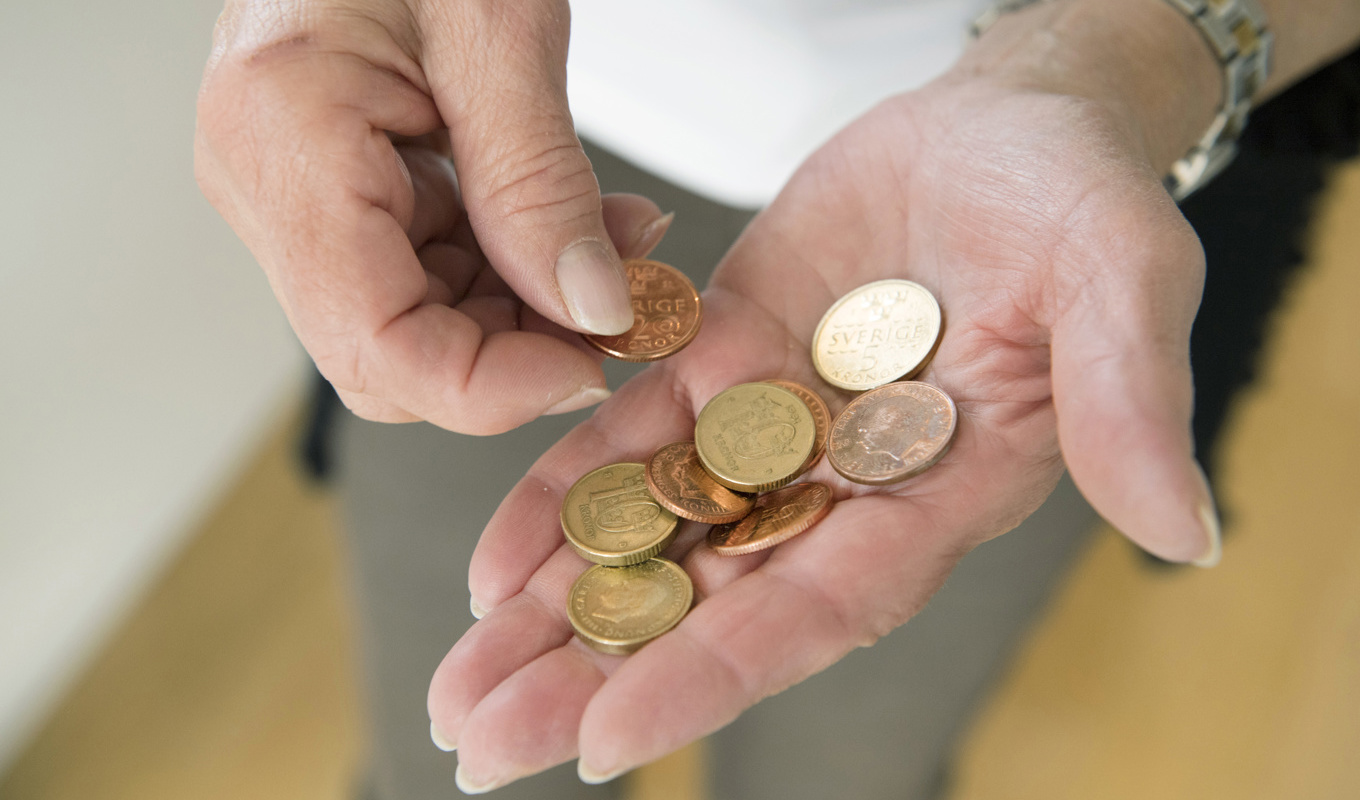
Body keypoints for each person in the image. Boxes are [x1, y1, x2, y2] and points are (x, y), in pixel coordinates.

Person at [195, 0, 1360, 796]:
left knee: (846, 765)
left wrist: (1118, 54)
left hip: (1015, 210)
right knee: (462, 746)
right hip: (511, 133)